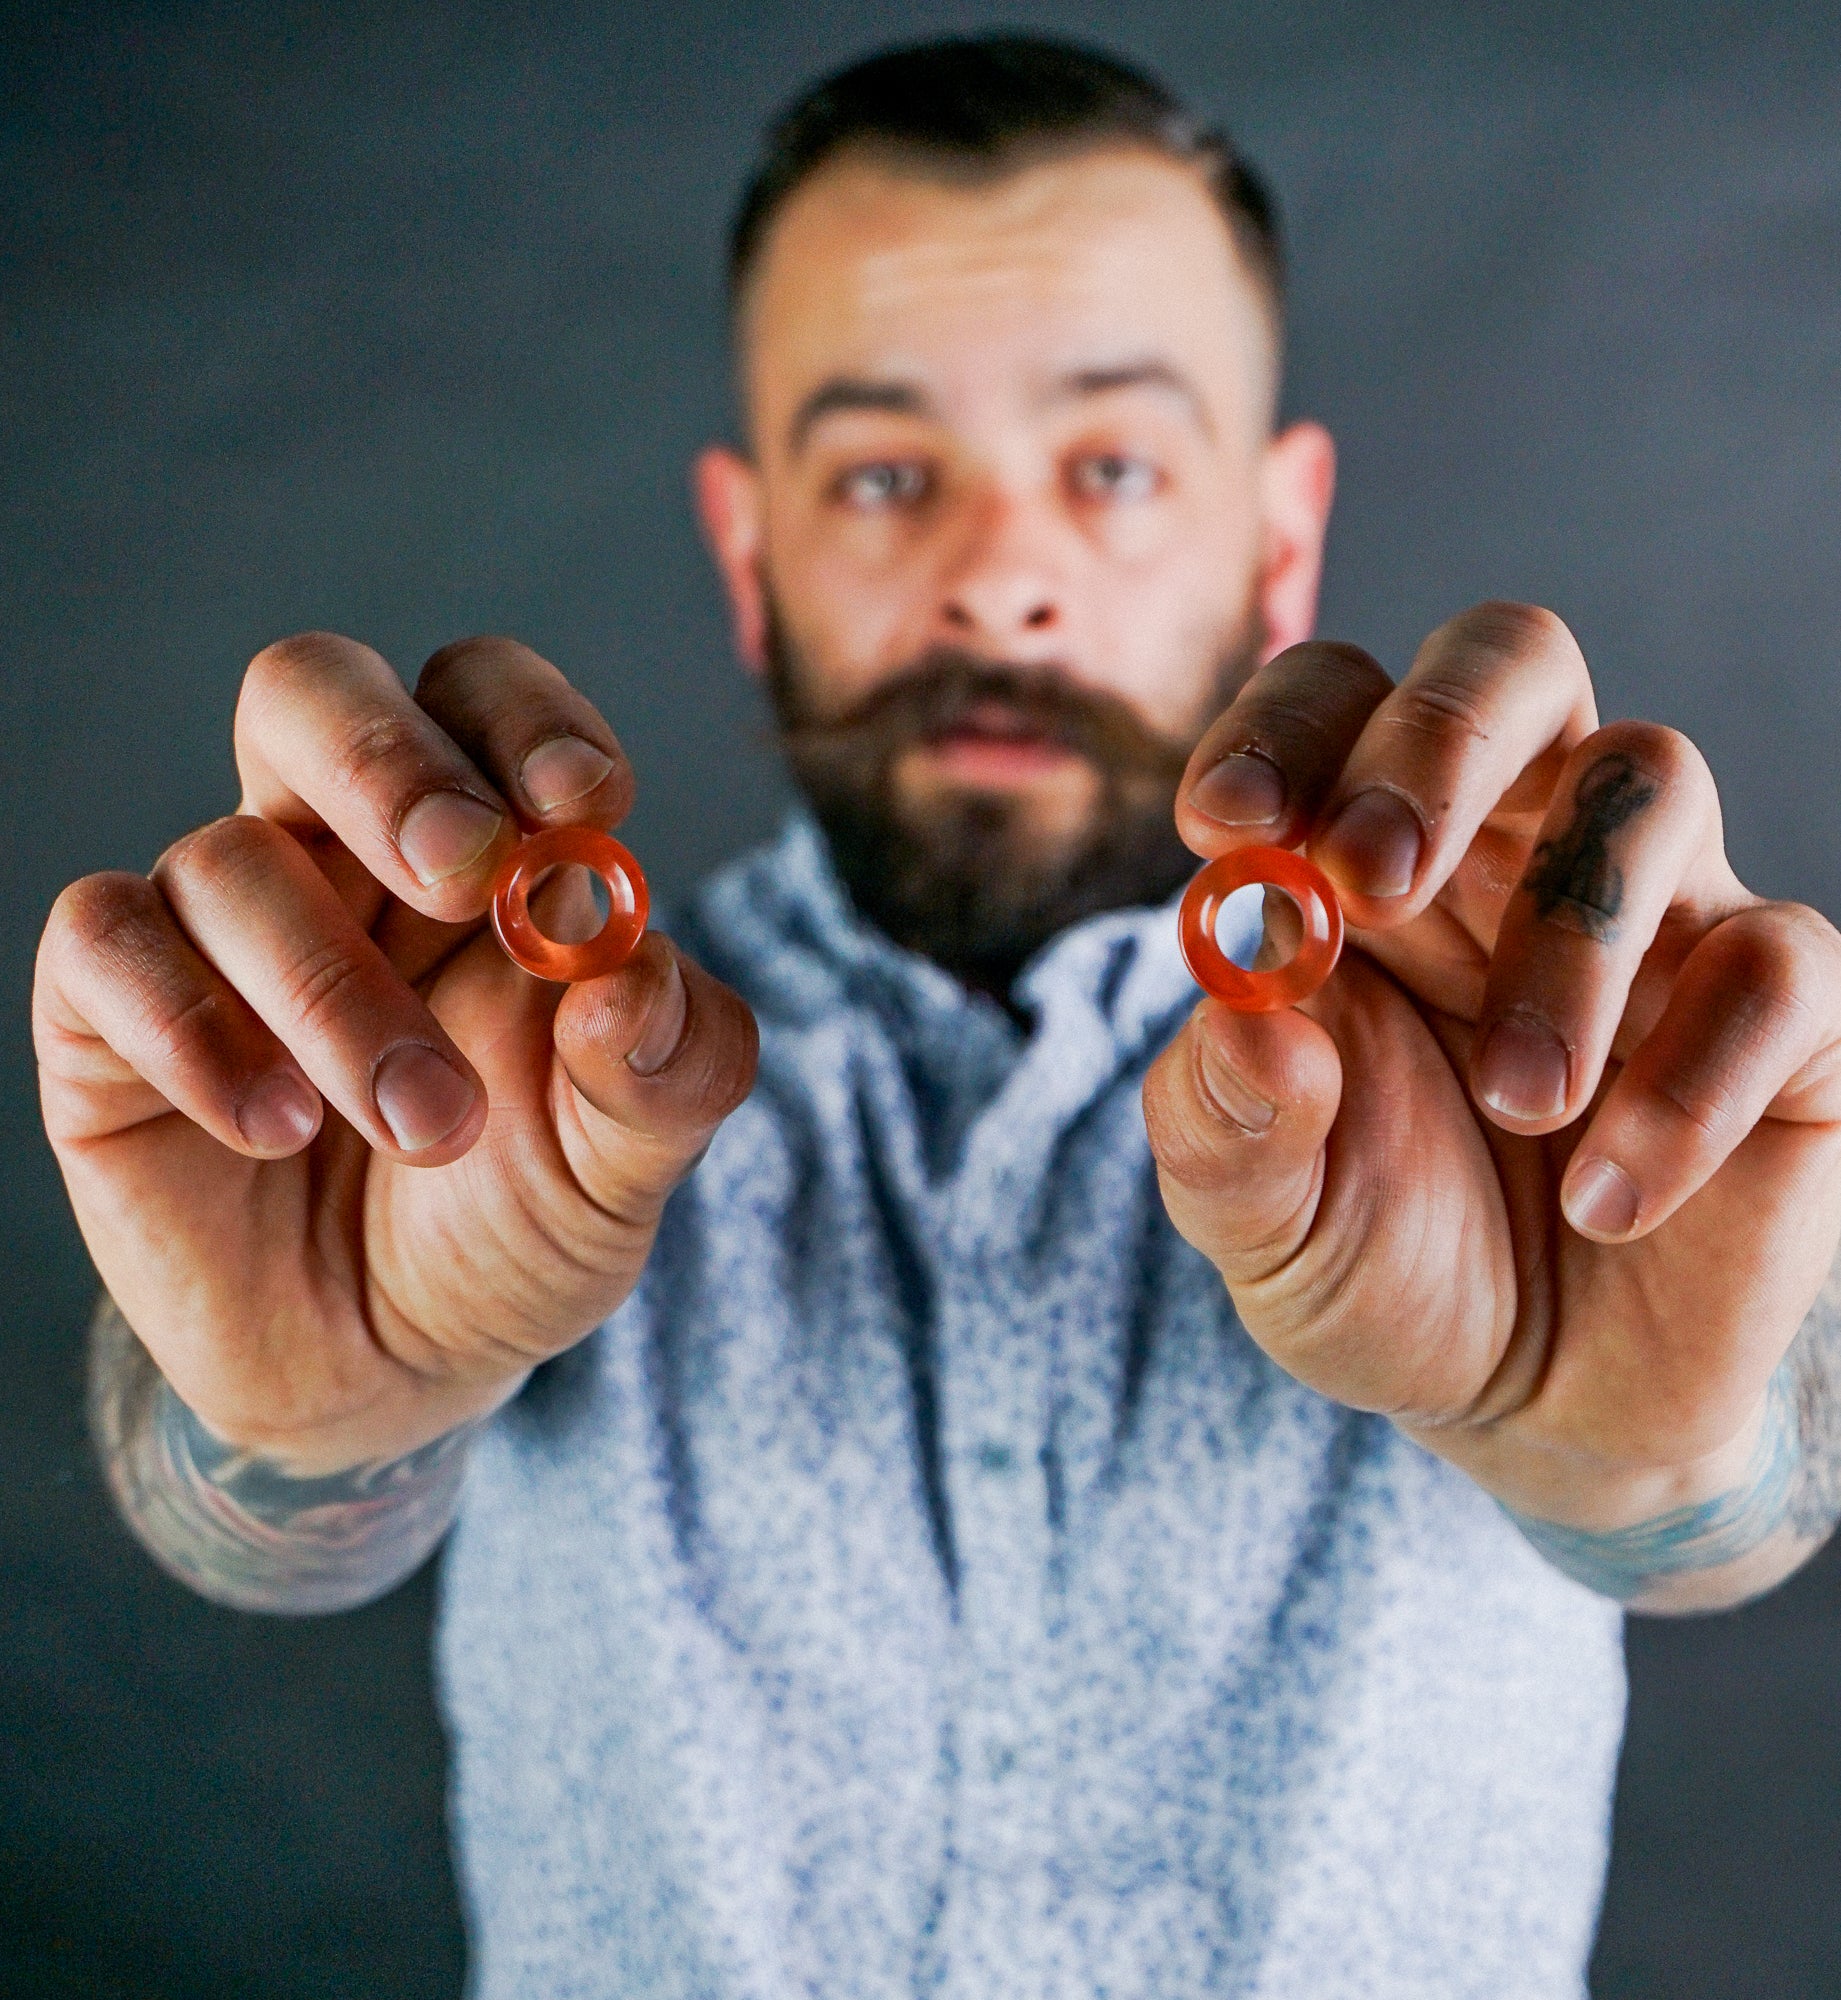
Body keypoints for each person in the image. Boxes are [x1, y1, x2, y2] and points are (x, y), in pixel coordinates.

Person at [33, 33, 1841, 1999]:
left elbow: (1750, 1499)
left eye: (1117, 467)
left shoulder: (1523, 1112)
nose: (1000, 580)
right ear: (752, 557)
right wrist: (304, 1413)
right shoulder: (506, 1073)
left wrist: (1642, 1463)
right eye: (888, 473)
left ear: (1277, 536)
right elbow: (241, 1520)